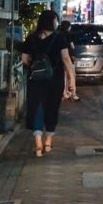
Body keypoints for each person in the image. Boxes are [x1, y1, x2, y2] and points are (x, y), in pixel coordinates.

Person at [20, 10, 73, 157]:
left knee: (37, 107)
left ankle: (38, 142)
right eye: (56, 20)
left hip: (36, 79)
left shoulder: (31, 38)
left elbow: (24, 59)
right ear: (52, 21)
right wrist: (71, 80)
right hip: (55, 79)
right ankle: (48, 142)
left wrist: (35, 66)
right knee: (52, 107)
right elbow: (66, 59)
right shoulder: (59, 38)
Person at [58, 20, 80, 101]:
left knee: (64, 76)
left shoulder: (58, 35)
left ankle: (65, 93)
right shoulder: (69, 34)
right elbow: (72, 46)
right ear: (68, 27)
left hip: (60, 58)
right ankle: (73, 94)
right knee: (71, 75)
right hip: (69, 57)